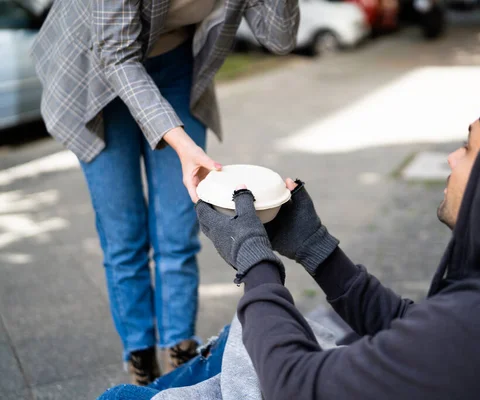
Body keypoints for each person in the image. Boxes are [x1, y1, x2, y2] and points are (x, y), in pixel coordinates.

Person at [193, 74, 480, 399]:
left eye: (468, 147)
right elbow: (416, 332)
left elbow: (294, 385)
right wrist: (317, 249)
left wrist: (254, 261)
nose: (451, 158)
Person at [30, 0, 299, 385]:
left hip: (175, 67)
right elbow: (116, 55)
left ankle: (180, 357)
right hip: (95, 71)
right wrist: (182, 144)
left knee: (179, 229)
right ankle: (140, 357)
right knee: (124, 234)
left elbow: (280, 38)